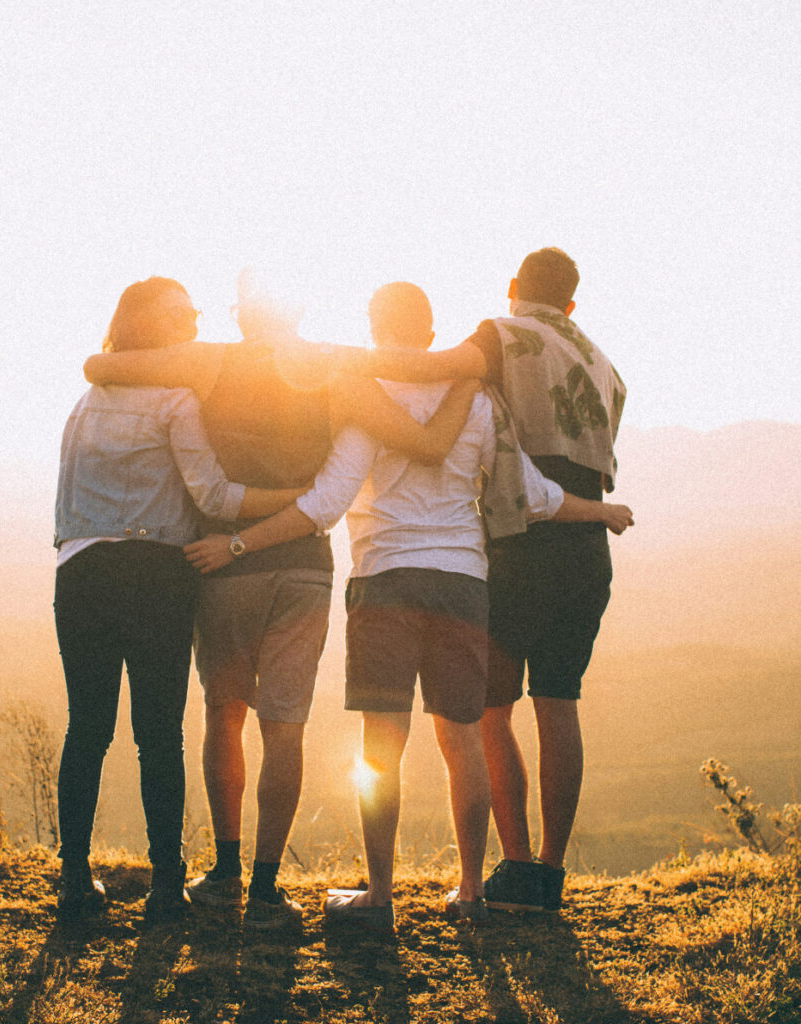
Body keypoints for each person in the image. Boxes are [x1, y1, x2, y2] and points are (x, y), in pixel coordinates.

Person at [184, 280, 633, 931]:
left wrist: (239, 541)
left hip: (385, 582)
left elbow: (326, 503)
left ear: (374, 329)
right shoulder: (478, 401)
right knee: (462, 742)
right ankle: (473, 892)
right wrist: (602, 511)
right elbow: (531, 494)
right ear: (429, 335)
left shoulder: (365, 398)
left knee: (381, 747)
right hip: (463, 584)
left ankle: (380, 896)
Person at [82, 270, 477, 930]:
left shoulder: (208, 363)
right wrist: (470, 374)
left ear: (242, 316)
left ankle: (225, 870)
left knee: (224, 712)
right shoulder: (335, 369)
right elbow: (423, 438)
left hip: (221, 563)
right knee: (284, 726)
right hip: (302, 568)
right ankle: (266, 889)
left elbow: (103, 365)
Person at [332, 249, 629, 913]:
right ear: (572, 304)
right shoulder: (604, 364)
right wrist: (604, 512)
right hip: (583, 541)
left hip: (518, 540)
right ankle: (547, 877)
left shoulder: (501, 336)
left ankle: (513, 869)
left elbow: (430, 369)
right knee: (560, 703)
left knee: (486, 712)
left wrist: (335, 362)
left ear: (515, 288)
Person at [53, 277, 306, 922]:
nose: (195, 323)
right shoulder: (176, 399)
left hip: (80, 570)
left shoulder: (85, 403)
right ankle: (167, 884)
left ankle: (74, 881)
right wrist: (299, 500)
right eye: (184, 315)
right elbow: (215, 499)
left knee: (87, 727)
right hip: (156, 574)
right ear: (155, 327)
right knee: (158, 734)